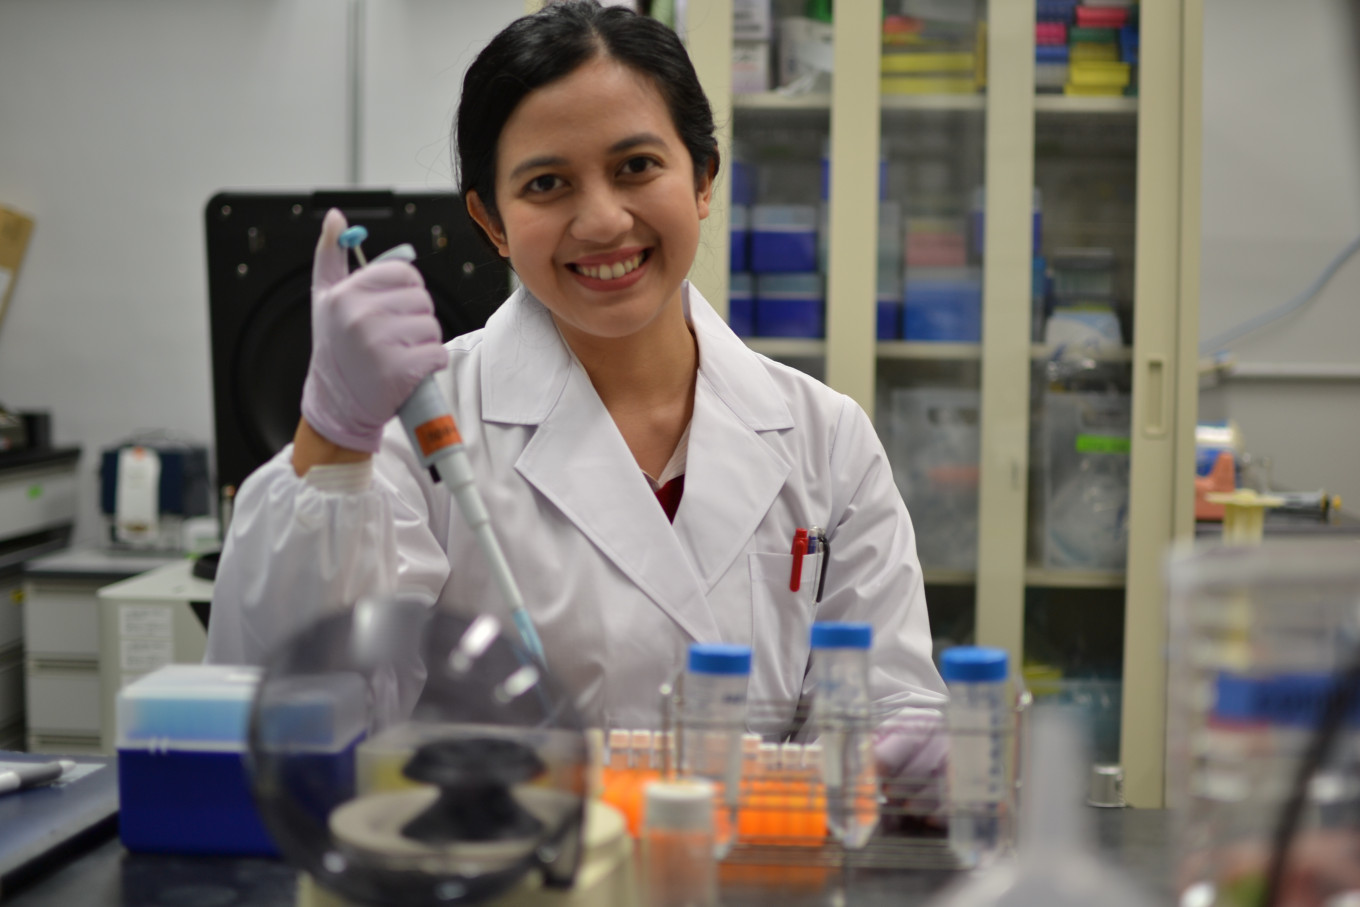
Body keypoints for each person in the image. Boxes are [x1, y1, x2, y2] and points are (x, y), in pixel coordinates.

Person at [205, 0, 946, 767]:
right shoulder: (410, 434)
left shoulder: (827, 439)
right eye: (547, 183)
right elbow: (288, 706)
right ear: (491, 223)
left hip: (759, 844)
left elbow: (888, 701)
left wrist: (903, 751)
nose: (601, 221)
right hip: (507, 845)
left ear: (703, 179)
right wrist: (330, 439)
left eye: (636, 166)